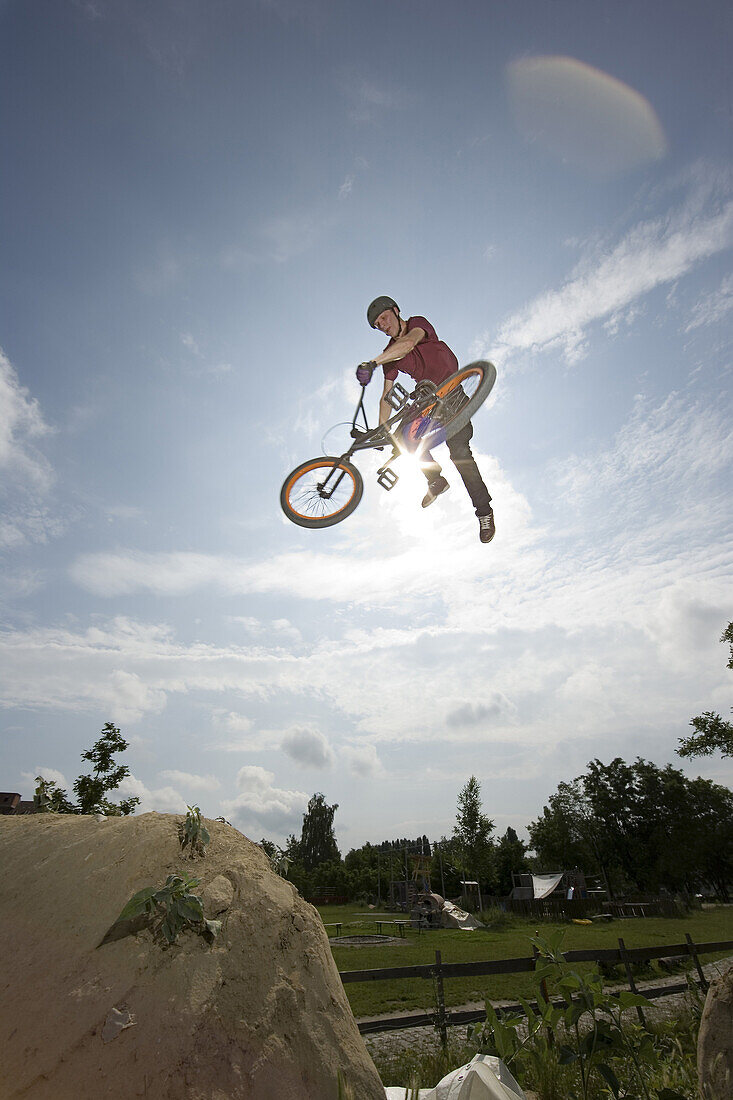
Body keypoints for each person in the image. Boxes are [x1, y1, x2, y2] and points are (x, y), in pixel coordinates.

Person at [356, 295, 495, 544]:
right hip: (428, 402)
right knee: (403, 439)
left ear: (396, 311)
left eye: (384, 318)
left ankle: (484, 511)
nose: (383, 325)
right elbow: (386, 397)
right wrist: (380, 430)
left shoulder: (418, 324)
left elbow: (409, 343)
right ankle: (435, 481)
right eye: (378, 324)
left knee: (460, 454)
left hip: (453, 397)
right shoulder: (390, 354)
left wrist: (373, 362)